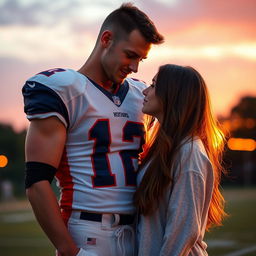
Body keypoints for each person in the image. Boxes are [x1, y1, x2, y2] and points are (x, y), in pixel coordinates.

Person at [22, 3, 163, 256]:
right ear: (106, 39)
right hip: (88, 233)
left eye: (141, 59)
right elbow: (36, 181)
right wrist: (69, 250)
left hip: (138, 233)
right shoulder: (65, 91)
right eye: (130, 55)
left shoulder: (139, 95)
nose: (135, 67)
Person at [134, 64, 227, 256]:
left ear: (172, 94)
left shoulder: (189, 152)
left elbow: (183, 231)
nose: (145, 91)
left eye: (153, 85)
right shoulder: (166, 148)